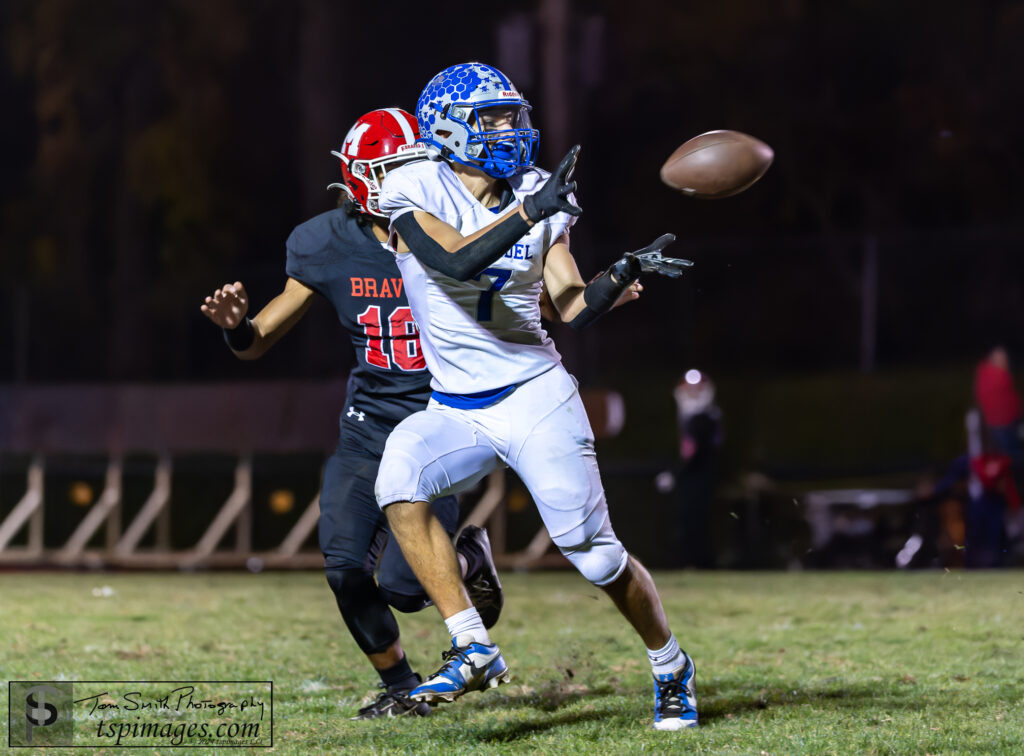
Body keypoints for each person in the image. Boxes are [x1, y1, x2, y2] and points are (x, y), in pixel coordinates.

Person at [373, 62, 698, 731]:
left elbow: (571, 306)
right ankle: (473, 646)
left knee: (598, 556)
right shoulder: (412, 184)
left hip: (534, 395)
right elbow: (455, 261)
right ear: (445, 127)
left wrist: (623, 273)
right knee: (398, 480)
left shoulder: (536, 192)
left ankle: (671, 667)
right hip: (455, 406)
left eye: (513, 115)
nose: (511, 129)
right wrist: (531, 209)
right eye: (492, 118)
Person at [199, 109, 504, 720]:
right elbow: (261, 337)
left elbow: (518, 307)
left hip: (439, 424)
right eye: (391, 171)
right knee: (343, 568)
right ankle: (399, 687)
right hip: (367, 427)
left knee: (403, 586)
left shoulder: (455, 230)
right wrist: (237, 328)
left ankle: (470, 559)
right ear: (363, 177)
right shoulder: (325, 241)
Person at [668, 369, 722, 568]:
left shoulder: (706, 417)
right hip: (692, 477)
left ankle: (698, 561)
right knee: (687, 519)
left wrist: (676, 473)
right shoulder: (687, 416)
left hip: (700, 477)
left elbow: (695, 452)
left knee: (696, 519)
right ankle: (689, 559)